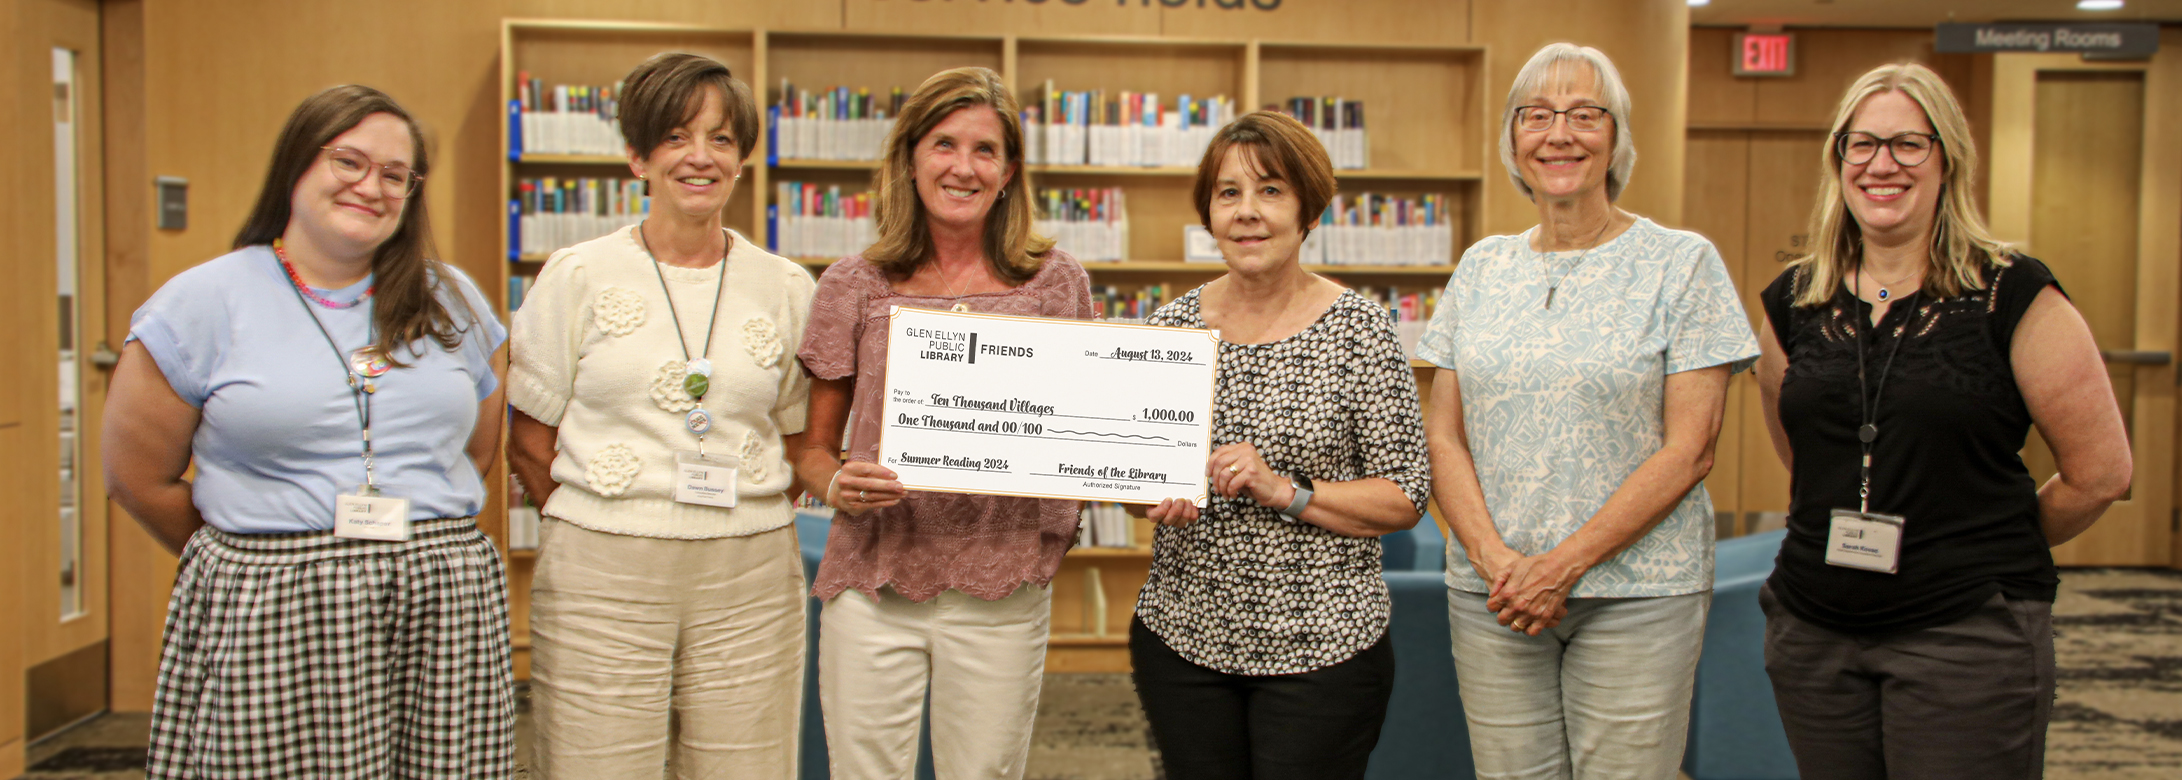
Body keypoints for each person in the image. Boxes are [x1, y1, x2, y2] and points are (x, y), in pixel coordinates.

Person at [103, 84, 512, 778]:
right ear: (297, 165)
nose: (370, 187)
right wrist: (267, 558)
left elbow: (472, 451)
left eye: (395, 175)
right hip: (276, 608)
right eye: (348, 162)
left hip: (441, 604)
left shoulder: (453, 299)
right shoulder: (204, 301)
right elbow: (137, 478)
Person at [1752, 62, 2131, 780]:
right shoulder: (1794, 298)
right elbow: (1801, 450)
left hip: (1966, 635)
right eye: (1860, 144)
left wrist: (1977, 542)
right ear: (1838, 160)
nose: (1880, 164)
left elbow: (2101, 473)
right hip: (1815, 632)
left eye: (1907, 144)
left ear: (1947, 158)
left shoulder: (2012, 293)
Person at [1416, 43, 1759, 779]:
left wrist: (1561, 566)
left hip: (1637, 592)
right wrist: (1496, 562)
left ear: (1617, 136)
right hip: (1493, 596)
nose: (1559, 134)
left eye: (1583, 114)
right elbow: (1442, 434)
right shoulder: (1481, 267)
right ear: (1514, 139)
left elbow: (1690, 448)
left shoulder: (1681, 263)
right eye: (1536, 115)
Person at [506, 52, 816, 777]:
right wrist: (606, 518)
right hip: (601, 569)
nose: (700, 157)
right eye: (676, 137)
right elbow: (529, 439)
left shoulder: (787, 286)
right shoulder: (577, 275)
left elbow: (802, 436)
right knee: (595, 761)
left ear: (741, 159)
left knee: (745, 762)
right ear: (637, 157)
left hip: (750, 572)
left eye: (720, 139)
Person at [790, 66, 1093, 780]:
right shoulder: (854, 284)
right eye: (944, 144)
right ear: (911, 158)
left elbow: (1084, 429)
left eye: (985, 150)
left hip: (1003, 583)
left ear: (1010, 170)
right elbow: (809, 453)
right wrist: (837, 485)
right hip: (875, 579)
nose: (964, 167)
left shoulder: (1055, 283)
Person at [1128, 110, 1430, 780]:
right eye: (1228, 193)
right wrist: (1148, 492)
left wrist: (1284, 490)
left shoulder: (1361, 330)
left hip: (1323, 649)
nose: (1248, 213)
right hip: (1184, 640)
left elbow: (1406, 494)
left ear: (1308, 210)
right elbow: (1129, 485)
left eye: (1271, 191)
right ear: (1208, 214)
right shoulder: (1169, 328)